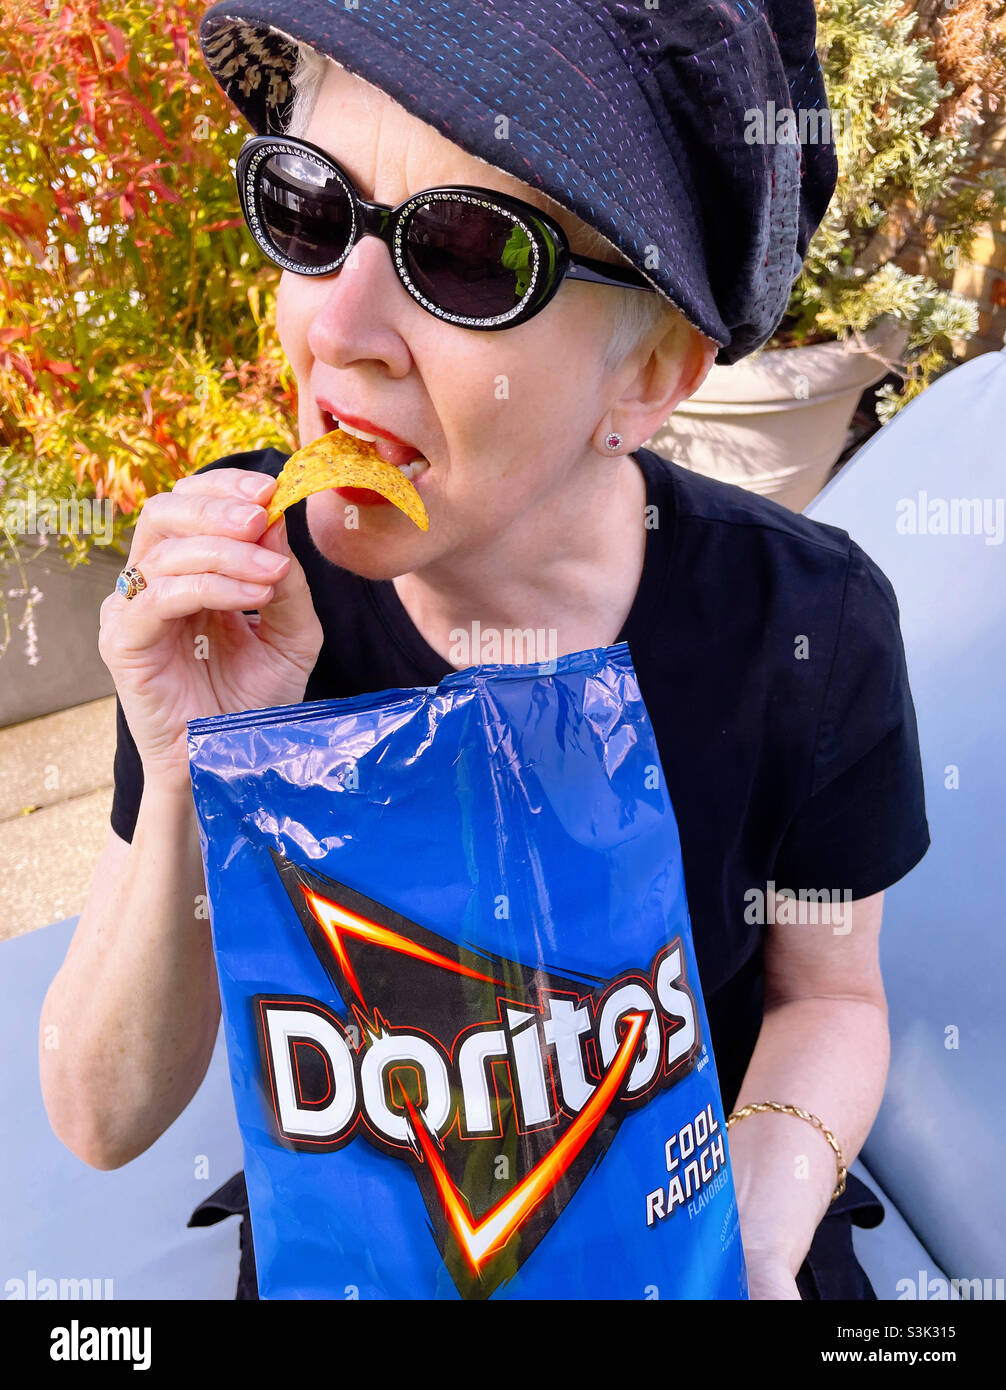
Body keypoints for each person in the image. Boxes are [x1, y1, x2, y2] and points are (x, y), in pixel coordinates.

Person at [40, 0, 930, 1301]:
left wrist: (751, 1219)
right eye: (307, 206)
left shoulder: (805, 628)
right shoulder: (237, 600)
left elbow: (830, 1001)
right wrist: (187, 767)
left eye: (461, 253)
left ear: (652, 373)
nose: (334, 328)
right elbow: (102, 1117)